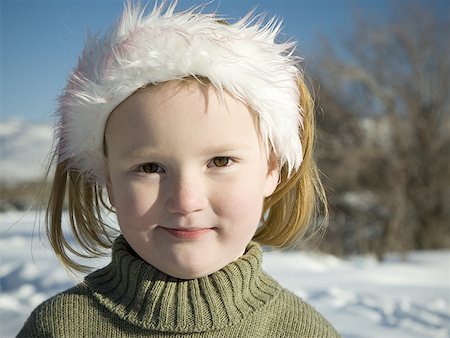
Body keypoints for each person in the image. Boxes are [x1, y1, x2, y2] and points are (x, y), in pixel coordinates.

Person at [18, 1, 340, 337]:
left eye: (220, 161)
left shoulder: (305, 331)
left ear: (272, 170)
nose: (186, 201)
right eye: (150, 167)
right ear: (109, 181)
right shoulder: (58, 327)